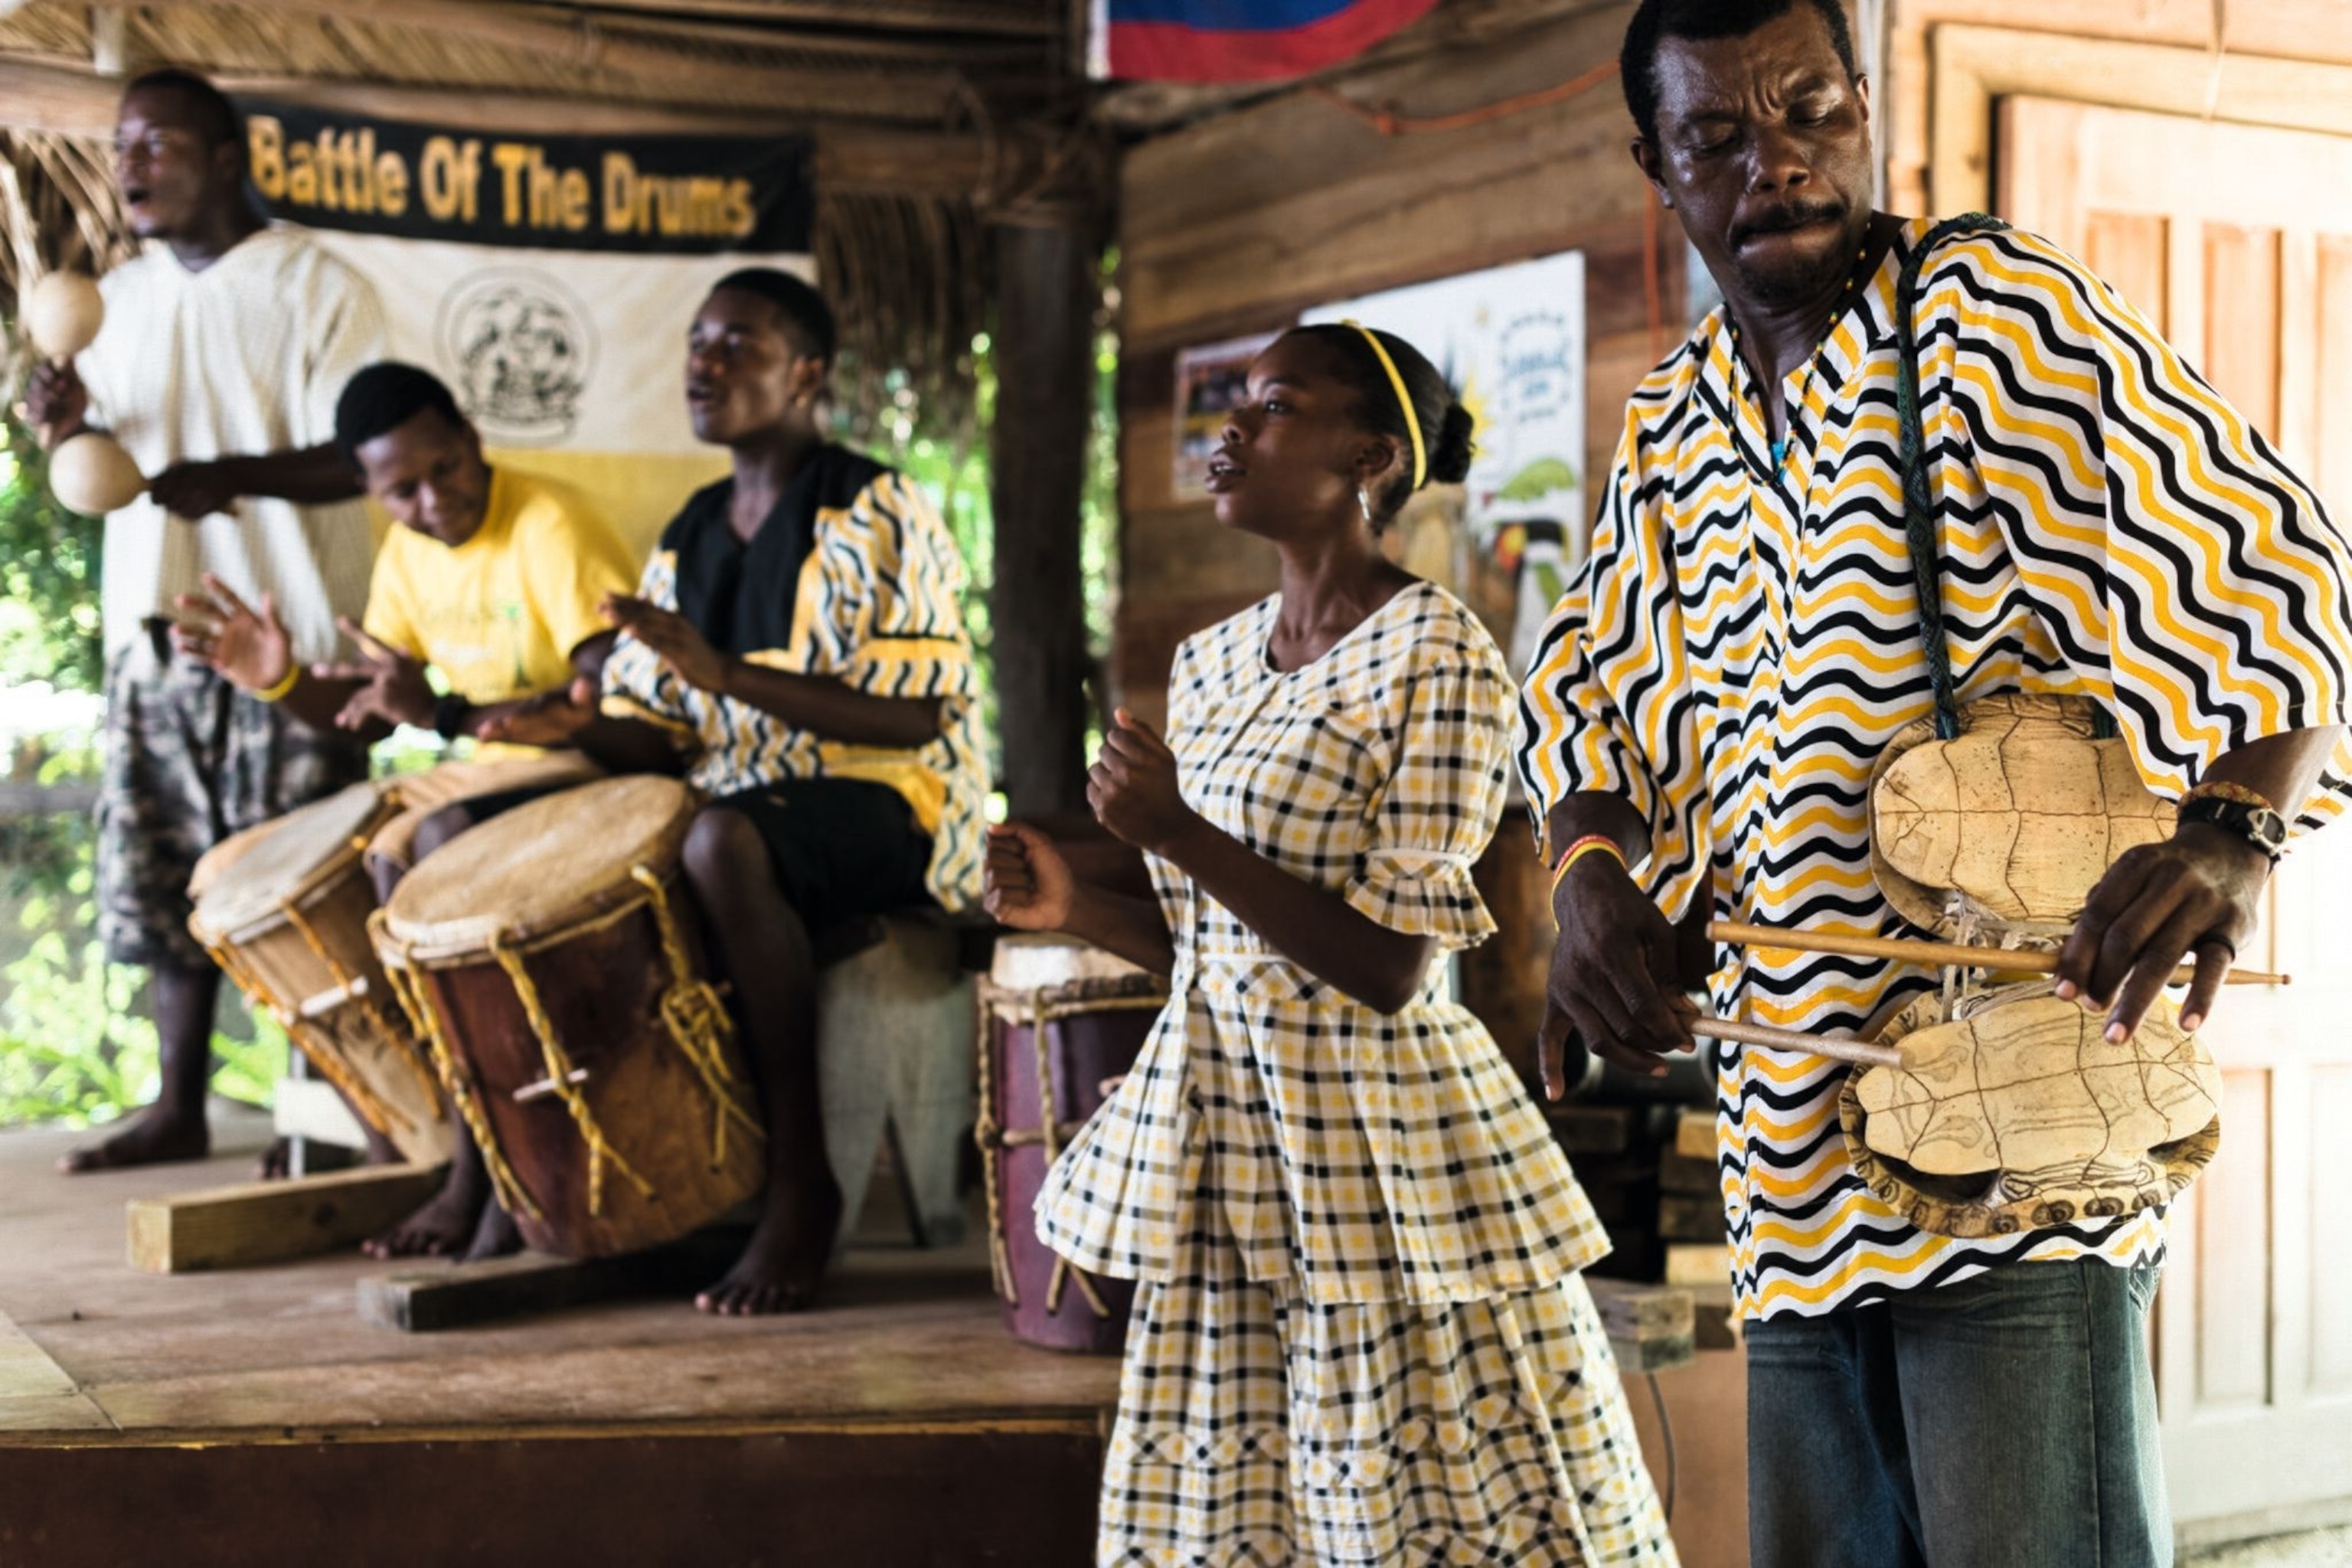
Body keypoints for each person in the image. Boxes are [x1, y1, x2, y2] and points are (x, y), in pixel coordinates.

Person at [1517, 3, 2352, 1564]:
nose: (1778, 162)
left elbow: (2277, 561)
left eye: (1814, 109)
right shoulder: (1676, 424)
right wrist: (1588, 884)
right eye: (1719, 136)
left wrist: (2234, 830)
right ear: (1658, 163)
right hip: (1789, 1165)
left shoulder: (1987, 313)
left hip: (2012, 1130)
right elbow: (1587, 700)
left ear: (1866, 102)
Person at [991, 325, 1676, 1565]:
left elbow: (1391, 965)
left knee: (1422, 1503)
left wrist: (1173, 828)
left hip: (1377, 1158)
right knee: (1236, 1509)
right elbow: (1216, 946)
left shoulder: (1441, 656)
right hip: (1228, 1140)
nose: (1232, 431)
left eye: (1275, 405)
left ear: (1368, 454)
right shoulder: (1205, 665)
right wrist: (1073, 905)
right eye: (1235, 404)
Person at [493, 268, 988, 1315]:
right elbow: (667, 733)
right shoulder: (692, 528)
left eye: (738, 345)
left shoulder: (876, 506)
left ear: (806, 372)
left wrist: (724, 676)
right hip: (743, 799)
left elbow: (918, 716)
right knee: (511, 834)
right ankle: (578, 1175)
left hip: (893, 801)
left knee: (721, 845)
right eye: (698, 343)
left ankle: (802, 1182)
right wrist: (572, 726)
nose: (704, 363)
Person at [171, 361, 641, 1258]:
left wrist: (447, 715)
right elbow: (371, 713)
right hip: (476, 768)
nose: (433, 500)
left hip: (584, 770)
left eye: (446, 469)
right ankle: (412, 1129)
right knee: (235, 876)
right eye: (403, 489)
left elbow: (603, 704)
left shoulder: (552, 523)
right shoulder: (405, 555)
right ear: (367, 489)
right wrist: (280, 678)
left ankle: (485, 1166)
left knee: (416, 849)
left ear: (471, 437)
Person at [24, 68, 388, 1176]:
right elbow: (100, 467)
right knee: (161, 873)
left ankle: (323, 1118)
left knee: (296, 891)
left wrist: (230, 473)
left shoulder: (321, 285)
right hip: (156, 634)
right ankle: (178, 1103)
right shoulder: (117, 300)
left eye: (158, 145)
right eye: (124, 146)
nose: (130, 165)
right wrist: (69, 422)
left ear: (226, 159)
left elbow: (368, 456)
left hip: (292, 639)